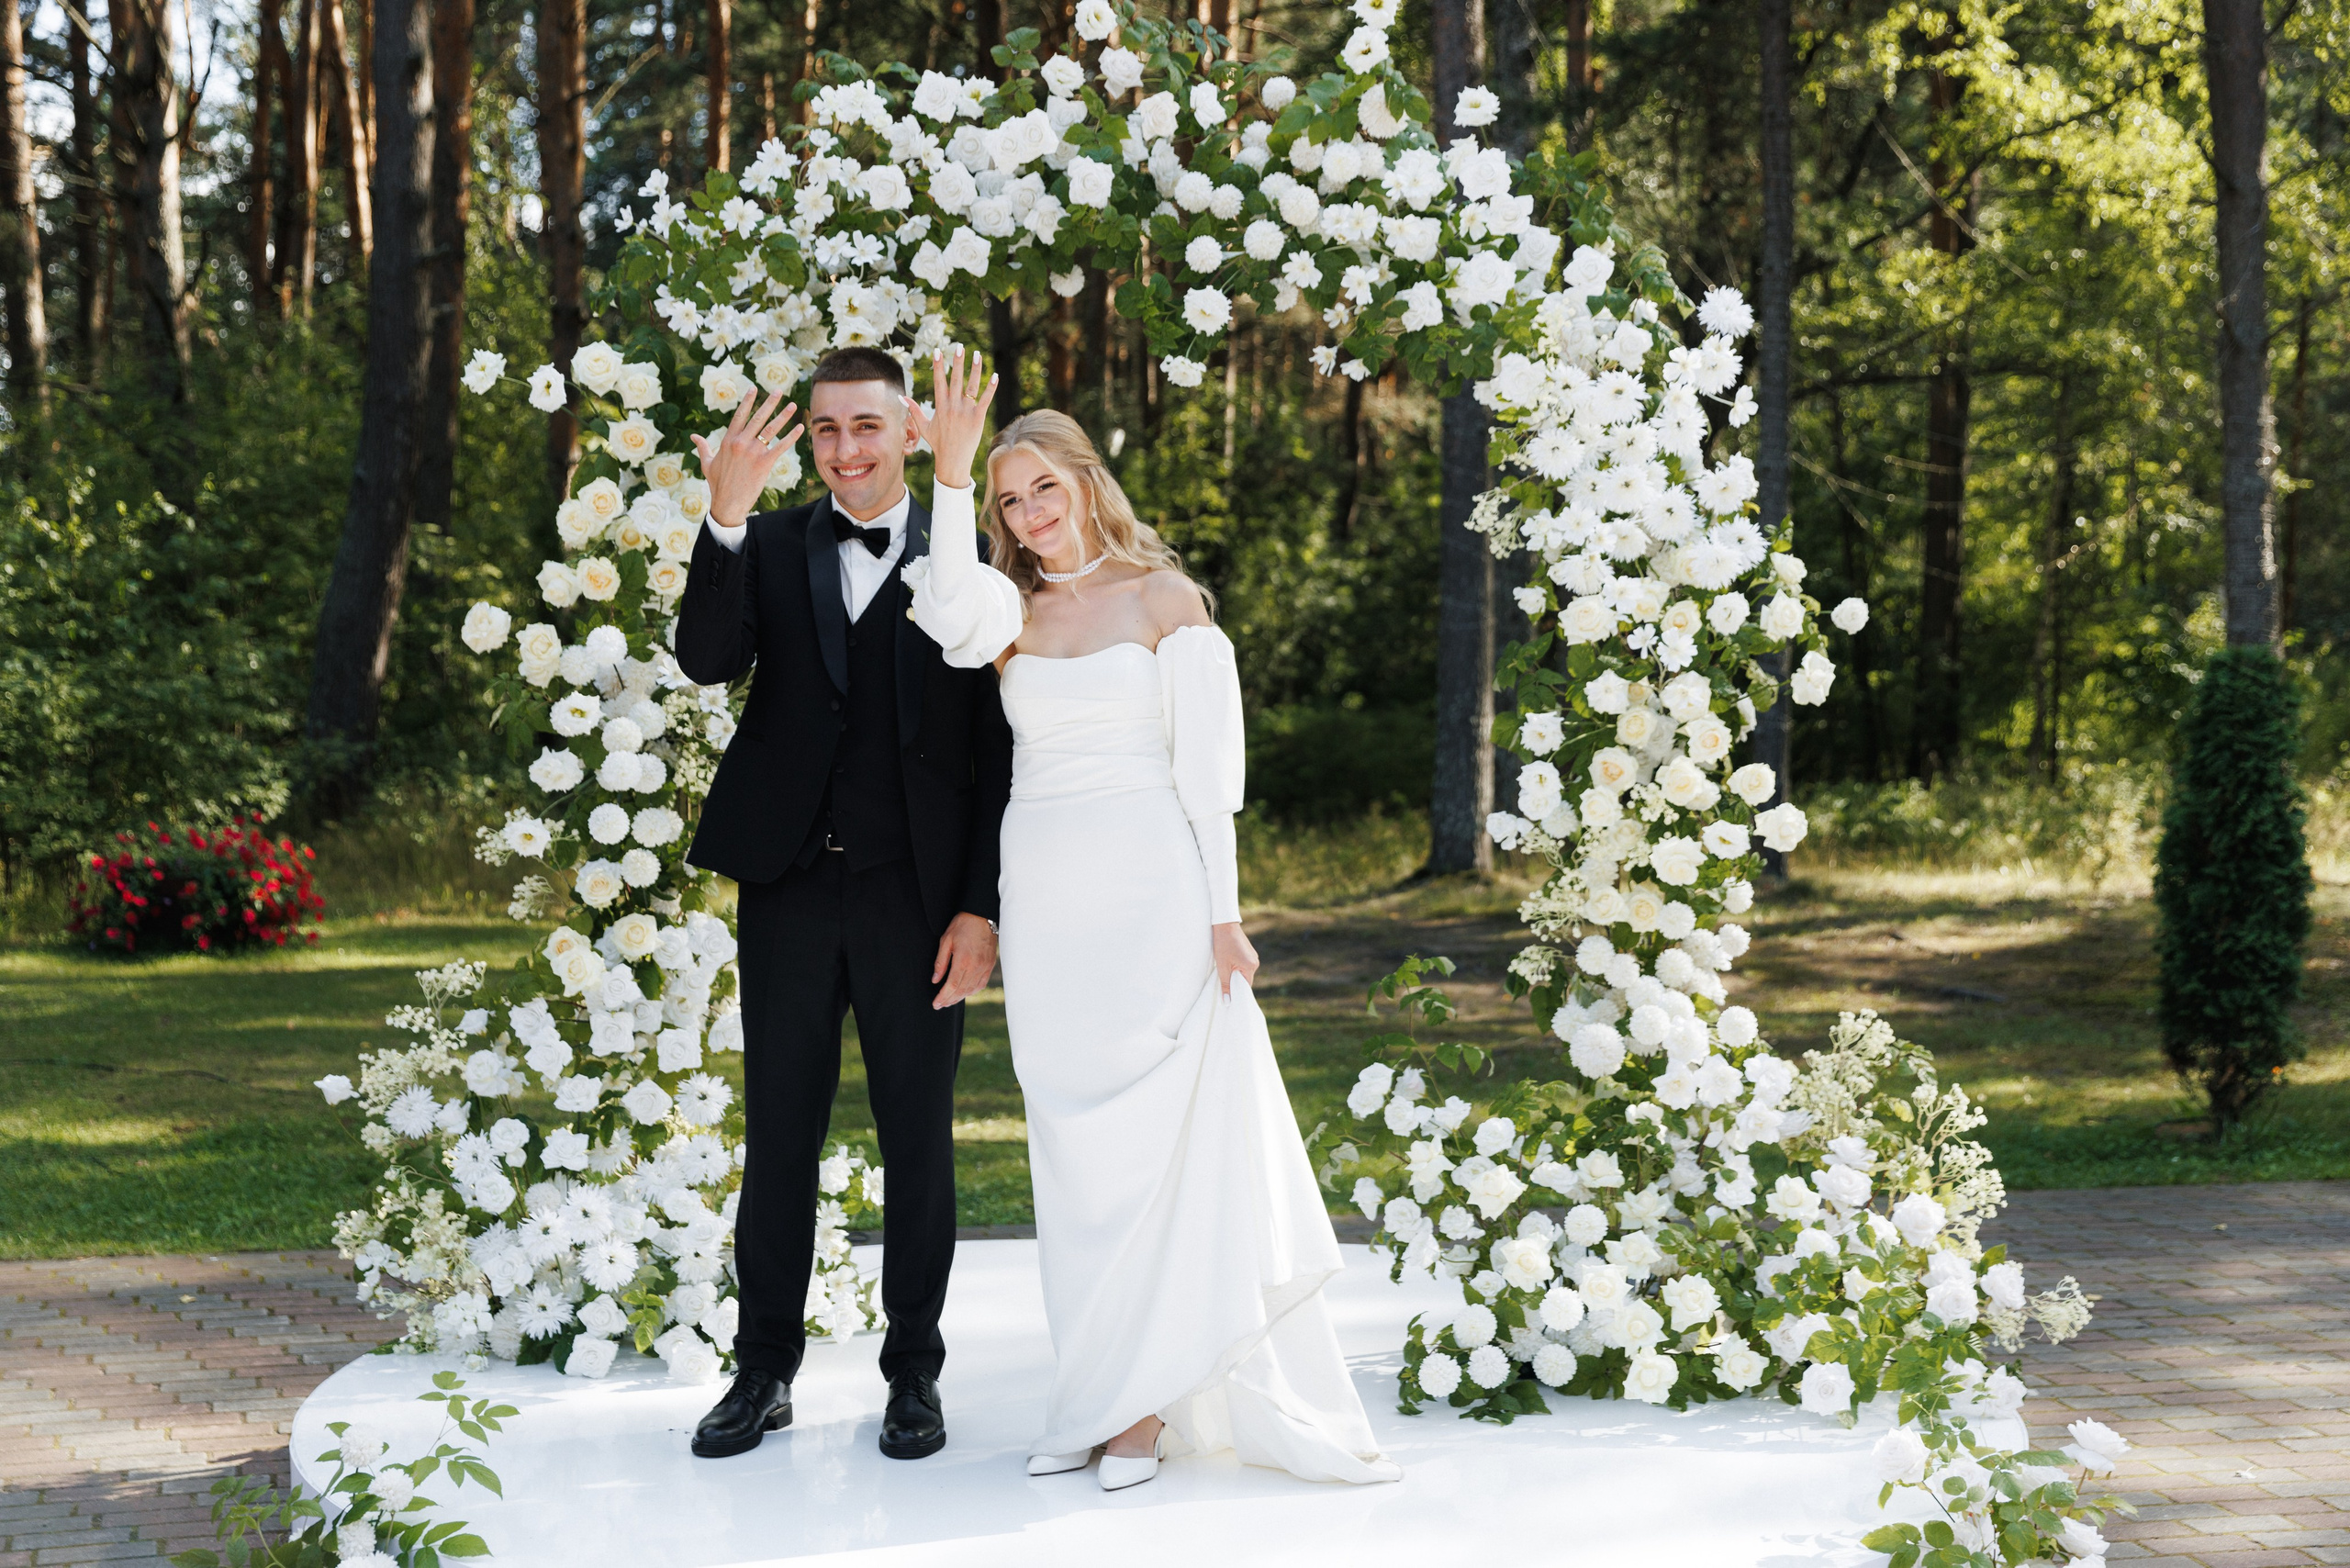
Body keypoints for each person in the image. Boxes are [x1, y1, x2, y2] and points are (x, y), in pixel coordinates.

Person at [905, 349, 1402, 1492]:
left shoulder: (1165, 601)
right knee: (1074, 1154)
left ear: (1087, 483)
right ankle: (1093, 1392)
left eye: (1044, 489)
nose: (1028, 516)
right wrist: (946, 476)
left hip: (1153, 887)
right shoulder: (1008, 611)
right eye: (1008, 499)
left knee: (1152, 1150)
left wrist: (1223, 916)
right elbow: (942, 609)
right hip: (1046, 888)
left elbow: (1207, 773)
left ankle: (1142, 1415)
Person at [673, 347, 1013, 1462]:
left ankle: (914, 1374)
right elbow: (706, 658)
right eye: (825, 432)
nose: (845, 451)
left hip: (917, 900)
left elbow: (998, 754)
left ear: (911, 431)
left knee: (919, 1139)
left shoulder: (967, 553)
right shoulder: (768, 543)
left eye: (866, 427)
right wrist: (722, 519)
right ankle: (762, 1368)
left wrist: (980, 907)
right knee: (779, 1134)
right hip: (786, 888)